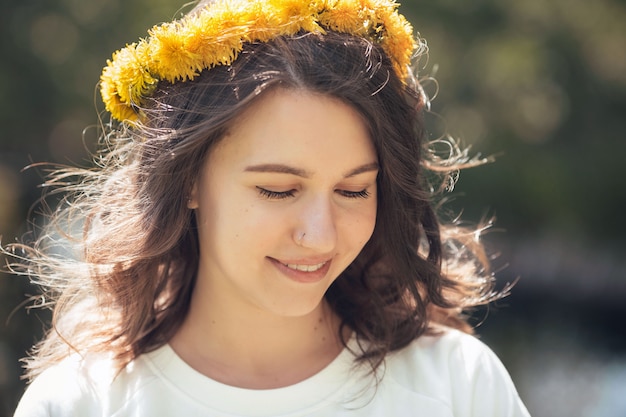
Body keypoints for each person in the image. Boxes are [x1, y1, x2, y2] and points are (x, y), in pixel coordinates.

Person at [7, 0, 530, 415]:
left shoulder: (458, 386)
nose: (320, 236)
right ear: (187, 179)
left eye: (353, 191)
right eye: (278, 190)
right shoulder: (80, 403)